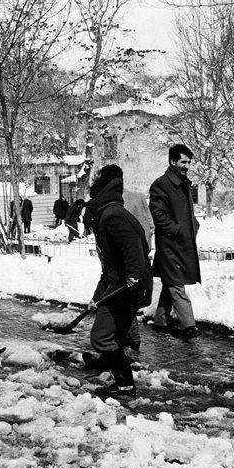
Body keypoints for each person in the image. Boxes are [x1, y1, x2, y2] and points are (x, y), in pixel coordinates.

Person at [83, 165, 151, 399]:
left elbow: (134, 248)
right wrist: (96, 296)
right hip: (122, 283)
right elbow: (110, 268)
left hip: (128, 285)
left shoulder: (112, 215)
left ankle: (125, 385)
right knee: (115, 335)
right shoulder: (109, 212)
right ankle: (111, 368)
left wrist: (132, 277)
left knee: (101, 336)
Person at [149, 143, 202, 341]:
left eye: (188, 162)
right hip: (170, 245)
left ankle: (161, 320)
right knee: (177, 284)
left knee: (170, 282)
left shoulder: (183, 182)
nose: (186, 166)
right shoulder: (161, 184)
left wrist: (194, 225)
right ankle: (189, 326)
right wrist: (177, 231)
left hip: (182, 242)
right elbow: (158, 214)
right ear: (172, 161)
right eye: (183, 162)